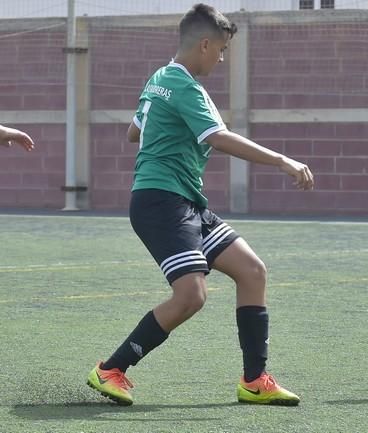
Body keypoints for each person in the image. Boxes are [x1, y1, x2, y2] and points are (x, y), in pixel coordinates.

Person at [87, 3, 313, 406]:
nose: (222, 58)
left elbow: (132, 133)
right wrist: (282, 159)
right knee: (192, 295)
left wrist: (168, 133)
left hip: (186, 201)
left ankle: (254, 380)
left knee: (252, 271)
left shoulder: (159, 78)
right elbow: (217, 136)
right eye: (222, 49)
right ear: (205, 44)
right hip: (161, 201)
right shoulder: (185, 85)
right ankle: (111, 369)